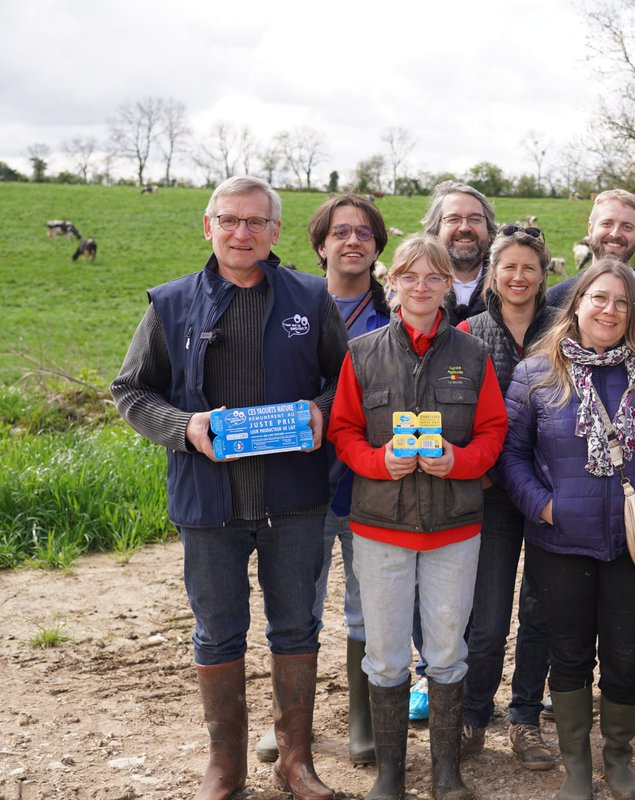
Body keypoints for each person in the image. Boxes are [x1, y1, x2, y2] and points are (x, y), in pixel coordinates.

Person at [110, 176, 346, 800]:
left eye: (255, 223)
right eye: (230, 220)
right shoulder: (170, 304)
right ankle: (226, 767)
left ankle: (295, 760)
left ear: (274, 232)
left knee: (296, 627)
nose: (242, 233)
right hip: (207, 500)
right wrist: (183, 426)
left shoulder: (311, 296)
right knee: (217, 630)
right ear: (208, 225)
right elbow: (131, 391)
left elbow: (346, 379)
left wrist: (322, 411)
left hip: (294, 498)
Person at [326, 234, 508, 800]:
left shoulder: (472, 355)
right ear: (393, 284)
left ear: (447, 285)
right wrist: (378, 462)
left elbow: (494, 432)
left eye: (433, 277)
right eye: (410, 277)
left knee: (449, 648)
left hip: (454, 529)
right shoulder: (362, 354)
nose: (421, 287)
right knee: (383, 652)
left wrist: (458, 461)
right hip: (380, 528)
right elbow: (342, 432)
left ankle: (446, 774)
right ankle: (389, 774)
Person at [499, 258, 635, 800]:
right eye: (599, 298)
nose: (609, 310)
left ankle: (620, 757)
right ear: (577, 303)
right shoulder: (537, 373)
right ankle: (577, 766)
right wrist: (544, 507)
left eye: (622, 302)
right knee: (570, 653)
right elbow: (512, 456)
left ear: (633, 314)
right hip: (560, 543)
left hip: (632, 545)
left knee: (628, 656)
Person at [254, 193, 393, 766]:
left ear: (377, 247)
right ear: (320, 245)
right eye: (340, 232)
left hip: (370, 485)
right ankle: (289, 726)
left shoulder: (395, 312)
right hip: (300, 483)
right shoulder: (285, 309)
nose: (353, 241)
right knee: (296, 605)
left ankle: (363, 720)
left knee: (369, 605)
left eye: (364, 233)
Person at [455, 225, 556, 770]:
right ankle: (473, 713)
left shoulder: (565, 333)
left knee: (539, 613)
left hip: (548, 499)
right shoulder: (468, 334)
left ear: (544, 275)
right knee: (488, 617)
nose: (519, 277)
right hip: (491, 496)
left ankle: (525, 719)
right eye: (508, 267)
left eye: (529, 268)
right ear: (493, 275)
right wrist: (485, 473)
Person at [548, 189, 635, 350]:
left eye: (627, 227)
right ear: (590, 229)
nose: (615, 233)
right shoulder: (555, 299)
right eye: (607, 224)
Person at [422, 181, 499, 326]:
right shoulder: (413, 288)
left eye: (475, 219)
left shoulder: (508, 286)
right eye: (453, 219)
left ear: (489, 230)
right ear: (435, 230)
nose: (464, 227)